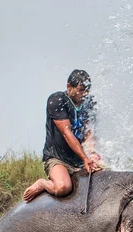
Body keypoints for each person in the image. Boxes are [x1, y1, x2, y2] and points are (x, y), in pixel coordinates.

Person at [23, 69, 103, 202]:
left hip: (80, 158)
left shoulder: (90, 103)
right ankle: (44, 184)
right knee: (63, 188)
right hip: (58, 158)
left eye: (88, 89)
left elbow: (90, 132)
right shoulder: (57, 100)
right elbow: (67, 133)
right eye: (81, 89)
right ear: (69, 87)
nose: (85, 94)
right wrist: (84, 157)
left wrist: (92, 153)